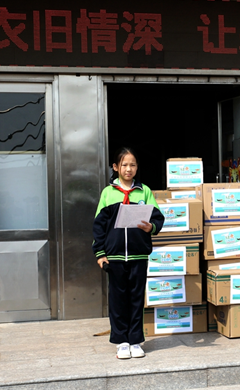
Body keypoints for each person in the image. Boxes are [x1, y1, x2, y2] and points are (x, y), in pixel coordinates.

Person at [92, 147, 165, 359]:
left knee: (135, 299)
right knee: (117, 300)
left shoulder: (145, 192)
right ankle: (121, 341)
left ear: (137, 167)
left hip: (138, 256)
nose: (128, 169)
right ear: (115, 167)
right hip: (114, 256)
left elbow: (157, 218)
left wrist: (151, 227)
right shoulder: (108, 193)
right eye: (124, 165)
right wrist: (100, 253)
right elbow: (98, 226)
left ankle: (135, 340)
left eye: (132, 164)